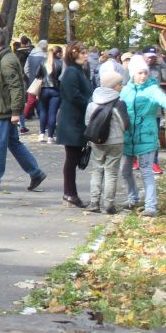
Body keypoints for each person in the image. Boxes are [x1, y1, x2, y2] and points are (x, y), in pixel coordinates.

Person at [0, 28, 46, 193]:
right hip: (4, 109)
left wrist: (15, 112)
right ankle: (36, 173)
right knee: (13, 143)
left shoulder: (6, 61)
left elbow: (16, 88)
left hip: (4, 111)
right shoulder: (3, 59)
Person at [120, 54, 166, 217]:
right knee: (125, 170)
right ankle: (132, 198)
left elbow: (163, 99)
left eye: (145, 72)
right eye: (139, 73)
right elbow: (118, 109)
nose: (143, 76)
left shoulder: (152, 89)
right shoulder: (126, 90)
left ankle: (151, 207)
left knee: (146, 171)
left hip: (146, 137)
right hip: (128, 137)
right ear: (132, 74)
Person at [55, 41, 94, 208]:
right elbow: (74, 96)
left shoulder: (80, 71)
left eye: (86, 52)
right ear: (74, 54)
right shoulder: (72, 72)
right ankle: (70, 193)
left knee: (74, 158)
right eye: (82, 52)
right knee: (71, 159)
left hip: (77, 120)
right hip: (71, 122)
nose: (86, 55)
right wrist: (91, 105)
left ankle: (70, 193)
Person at [86, 68, 128, 214]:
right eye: (119, 84)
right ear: (113, 86)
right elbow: (124, 124)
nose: (121, 87)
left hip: (97, 141)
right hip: (115, 142)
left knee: (97, 170)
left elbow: (87, 122)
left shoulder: (92, 101)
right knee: (111, 173)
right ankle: (108, 205)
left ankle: (94, 202)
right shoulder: (119, 103)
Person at [142, 46, 166, 175]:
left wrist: (163, 64)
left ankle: (154, 162)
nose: (151, 59)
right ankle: (138, 160)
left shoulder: (158, 66)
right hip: (141, 107)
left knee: (154, 136)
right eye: (148, 56)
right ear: (143, 55)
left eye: (153, 57)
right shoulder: (138, 67)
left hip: (155, 108)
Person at [36, 45, 63, 144]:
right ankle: (50, 137)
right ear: (59, 53)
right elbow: (62, 78)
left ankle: (41, 134)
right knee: (52, 113)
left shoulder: (43, 62)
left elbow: (37, 75)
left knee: (43, 112)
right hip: (55, 91)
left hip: (43, 90)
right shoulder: (60, 63)